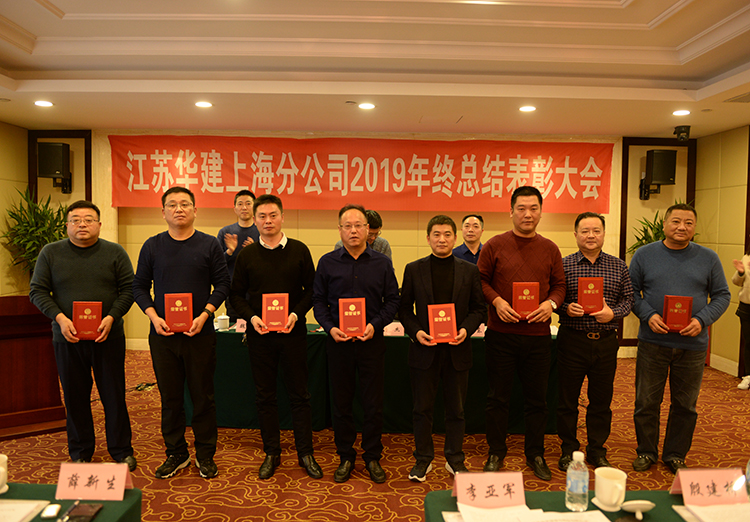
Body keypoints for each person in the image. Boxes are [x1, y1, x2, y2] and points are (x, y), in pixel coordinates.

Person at [29, 201, 136, 471]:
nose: (82, 225)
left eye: (88, 219)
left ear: (99, 224)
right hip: (67, 337)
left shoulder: (115, 252)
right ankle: (80, 451)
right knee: (75, 396)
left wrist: (112, 317)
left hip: (108, 337)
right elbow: (37, 291)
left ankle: (121, 450)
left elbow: (129, 289)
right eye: (75, 220)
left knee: (113, 395)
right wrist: (60, 318)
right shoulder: (50, 253)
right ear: (67, 225)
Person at [132, 186, 231, 479]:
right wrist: (153, 316)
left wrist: (205, 315)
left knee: (203, 396)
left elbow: (223, 284)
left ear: (195, 210)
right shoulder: (152, 246)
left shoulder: (209, 245)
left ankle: (205, 454)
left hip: (200, 333)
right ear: (163, 212)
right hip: (163, 335)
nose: (179, 209)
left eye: (185, 204)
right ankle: (176, 452)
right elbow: (139, 286)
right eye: (172, 204)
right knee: (170, 398)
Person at [630, 203, 730, 474]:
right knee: (646, 402)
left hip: (692, 346)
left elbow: (722, 295)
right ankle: (646, 451)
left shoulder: (708, 258)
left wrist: (702, 320)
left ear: (694, 228)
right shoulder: (644, 255)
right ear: (664, 224)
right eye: (676, 221)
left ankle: (675, 454)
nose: (682, 227)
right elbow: (631, 292)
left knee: (685, 405)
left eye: (688, 223)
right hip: (653, 341)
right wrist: (648, 315)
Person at [228, 194, 322, 480]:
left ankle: (305, 452)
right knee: (265, 396)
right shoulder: (246, 256)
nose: (267, 221)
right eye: (262, 216)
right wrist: (252, 317)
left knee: (300, 395)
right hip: (260, 336)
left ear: (282, 217)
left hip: (293, 334)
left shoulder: (299, 250)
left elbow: (312, 291)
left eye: (273, 215)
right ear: (254, 220)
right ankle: (272, 452)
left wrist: (295, 314)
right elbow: (235, 295)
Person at [477, 185, 565, 481]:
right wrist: (497, 301)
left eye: (533, 208)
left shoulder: (550, 248)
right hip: (501, 334)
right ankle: (496, 451)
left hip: (538, 336)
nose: (528, 214)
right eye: (521, 208)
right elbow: (480, 280)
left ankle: (535, 453)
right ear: (511, 211)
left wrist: (551, 304)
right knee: (497, 398)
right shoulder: (494, 245)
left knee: (537, 400)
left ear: (541, 212)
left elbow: (559, 285)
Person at [313, 204, 400, 484]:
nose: (353, 231)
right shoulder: (327, 262)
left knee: (373, 403)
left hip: (371, 342)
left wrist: (376, 324)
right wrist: (330, 328)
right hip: (339, 343)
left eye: (358, 225)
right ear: (339, 230)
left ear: (368, 230)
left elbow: (393, 300)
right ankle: (345, 455)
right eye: (347, 226)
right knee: (341, 403)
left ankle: (372, 455)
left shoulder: (382, 263)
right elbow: (318, 301)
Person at [399, 215, 486, 482]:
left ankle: (454, 459)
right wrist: (417, 332)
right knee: (421, 409)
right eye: (436, 234)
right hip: (424, 350)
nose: (442, 239)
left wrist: (465, 330)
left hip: (457, 350)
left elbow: (479, 309)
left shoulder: (469, 271)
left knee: (456, 410)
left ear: (455, 238)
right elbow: (404, 310)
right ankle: (423, 459)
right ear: (428, 238)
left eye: (447, 234)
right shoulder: (413, 269)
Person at [556, 212, 634, 471]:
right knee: (567, 400)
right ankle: (568, 449)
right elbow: (552, 298)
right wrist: (566, 308)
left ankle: (597, 450)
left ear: (603, 233)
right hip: (572, 340)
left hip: (605, 342)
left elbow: (628, 300)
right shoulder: (563, 265)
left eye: (596, 230)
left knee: (601, 400)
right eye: (585, 231)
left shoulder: (618, 266)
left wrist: (614, 313)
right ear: (575, 234)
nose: (591, 236)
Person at [217, 190, 260, 322]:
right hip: (234, 291)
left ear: (255, 207)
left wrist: (254, 252)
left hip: (257, 290)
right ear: (235, 208)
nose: (244, 207)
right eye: (240, 204)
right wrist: (229, 251)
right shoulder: (225, 232)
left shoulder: (262, 231)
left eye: (248, 203)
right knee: (234, 328)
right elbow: (217, 264)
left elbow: (271, 262)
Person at [732, 252, 750, 390]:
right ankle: (748, 376)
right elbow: (736, 282)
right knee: (749, 342)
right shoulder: (747, 258)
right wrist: (741, 273)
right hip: (747, 307)